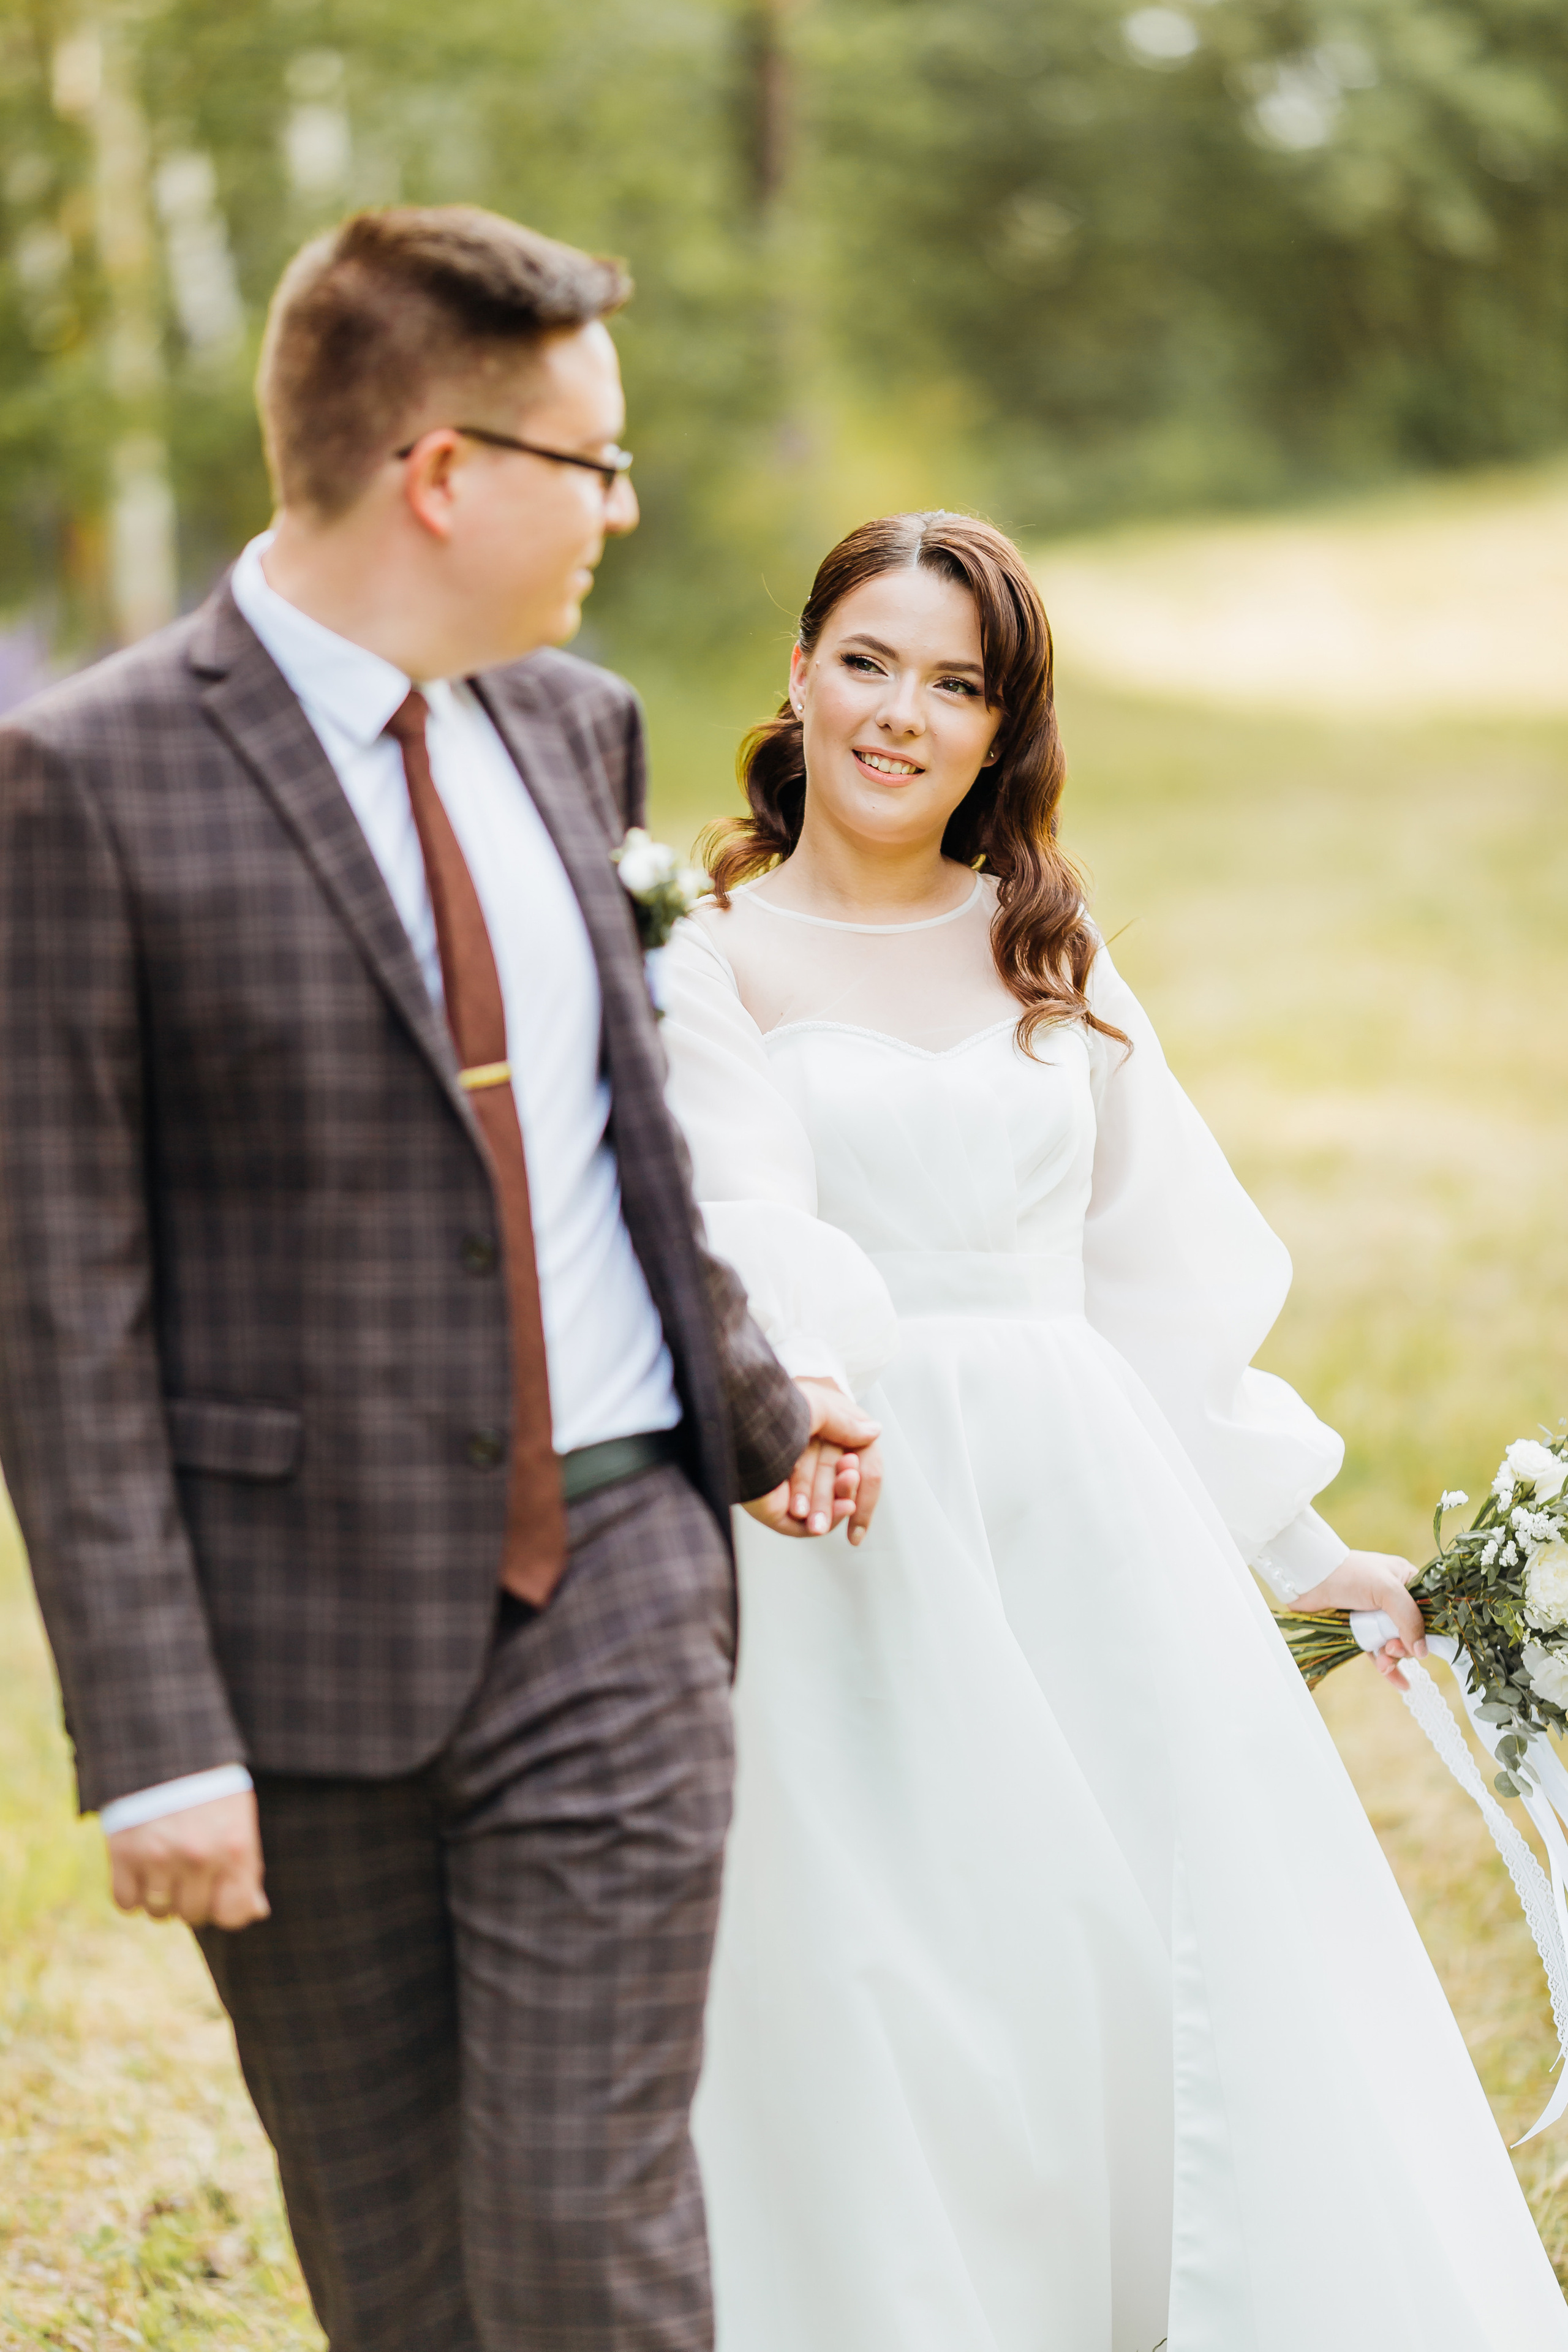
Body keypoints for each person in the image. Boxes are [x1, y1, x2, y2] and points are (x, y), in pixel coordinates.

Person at [0, 206, 882, 2352]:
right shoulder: (82, 784)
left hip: (616, 1598)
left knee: (587, 2240)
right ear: (444, 472)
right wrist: (152, 1737)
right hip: (292, 1663)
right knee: (400, 2271)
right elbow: (56, 1298)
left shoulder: (574, 727)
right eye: (592, 460)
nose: (624, 503)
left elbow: (613, 1138)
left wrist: (757, 1402)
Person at [658, 510, 1568, 2351]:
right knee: (897, 1980)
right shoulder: (704, 950)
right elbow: (734, 1213)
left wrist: (1305, 1547)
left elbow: (1161, 1282)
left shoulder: (1043, 953)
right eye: (869, 662)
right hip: (851, 1517)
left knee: (1148, 1968)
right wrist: (816, 1387)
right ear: (799, 675)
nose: (902, 715)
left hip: (1089, 1524)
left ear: (1005, 730)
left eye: (957, 684)